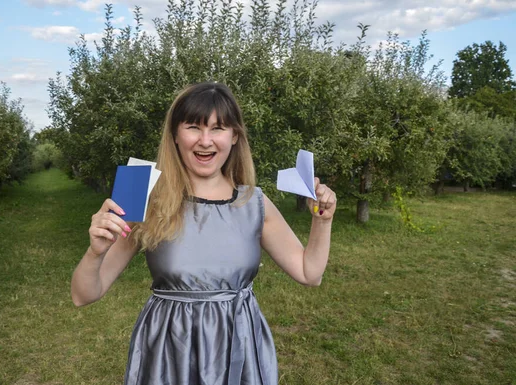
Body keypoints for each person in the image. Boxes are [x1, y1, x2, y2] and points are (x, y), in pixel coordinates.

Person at [71, 82, 336, 385]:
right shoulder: (145, 198)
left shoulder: (254, 202)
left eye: (219, 128)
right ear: (175, 134)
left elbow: (309, 273)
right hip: (168, 356)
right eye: (194, 127)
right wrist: (96, 251)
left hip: (239, 349)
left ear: (235, 136)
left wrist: (322, 222)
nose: (206, 141)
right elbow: (83, 295)